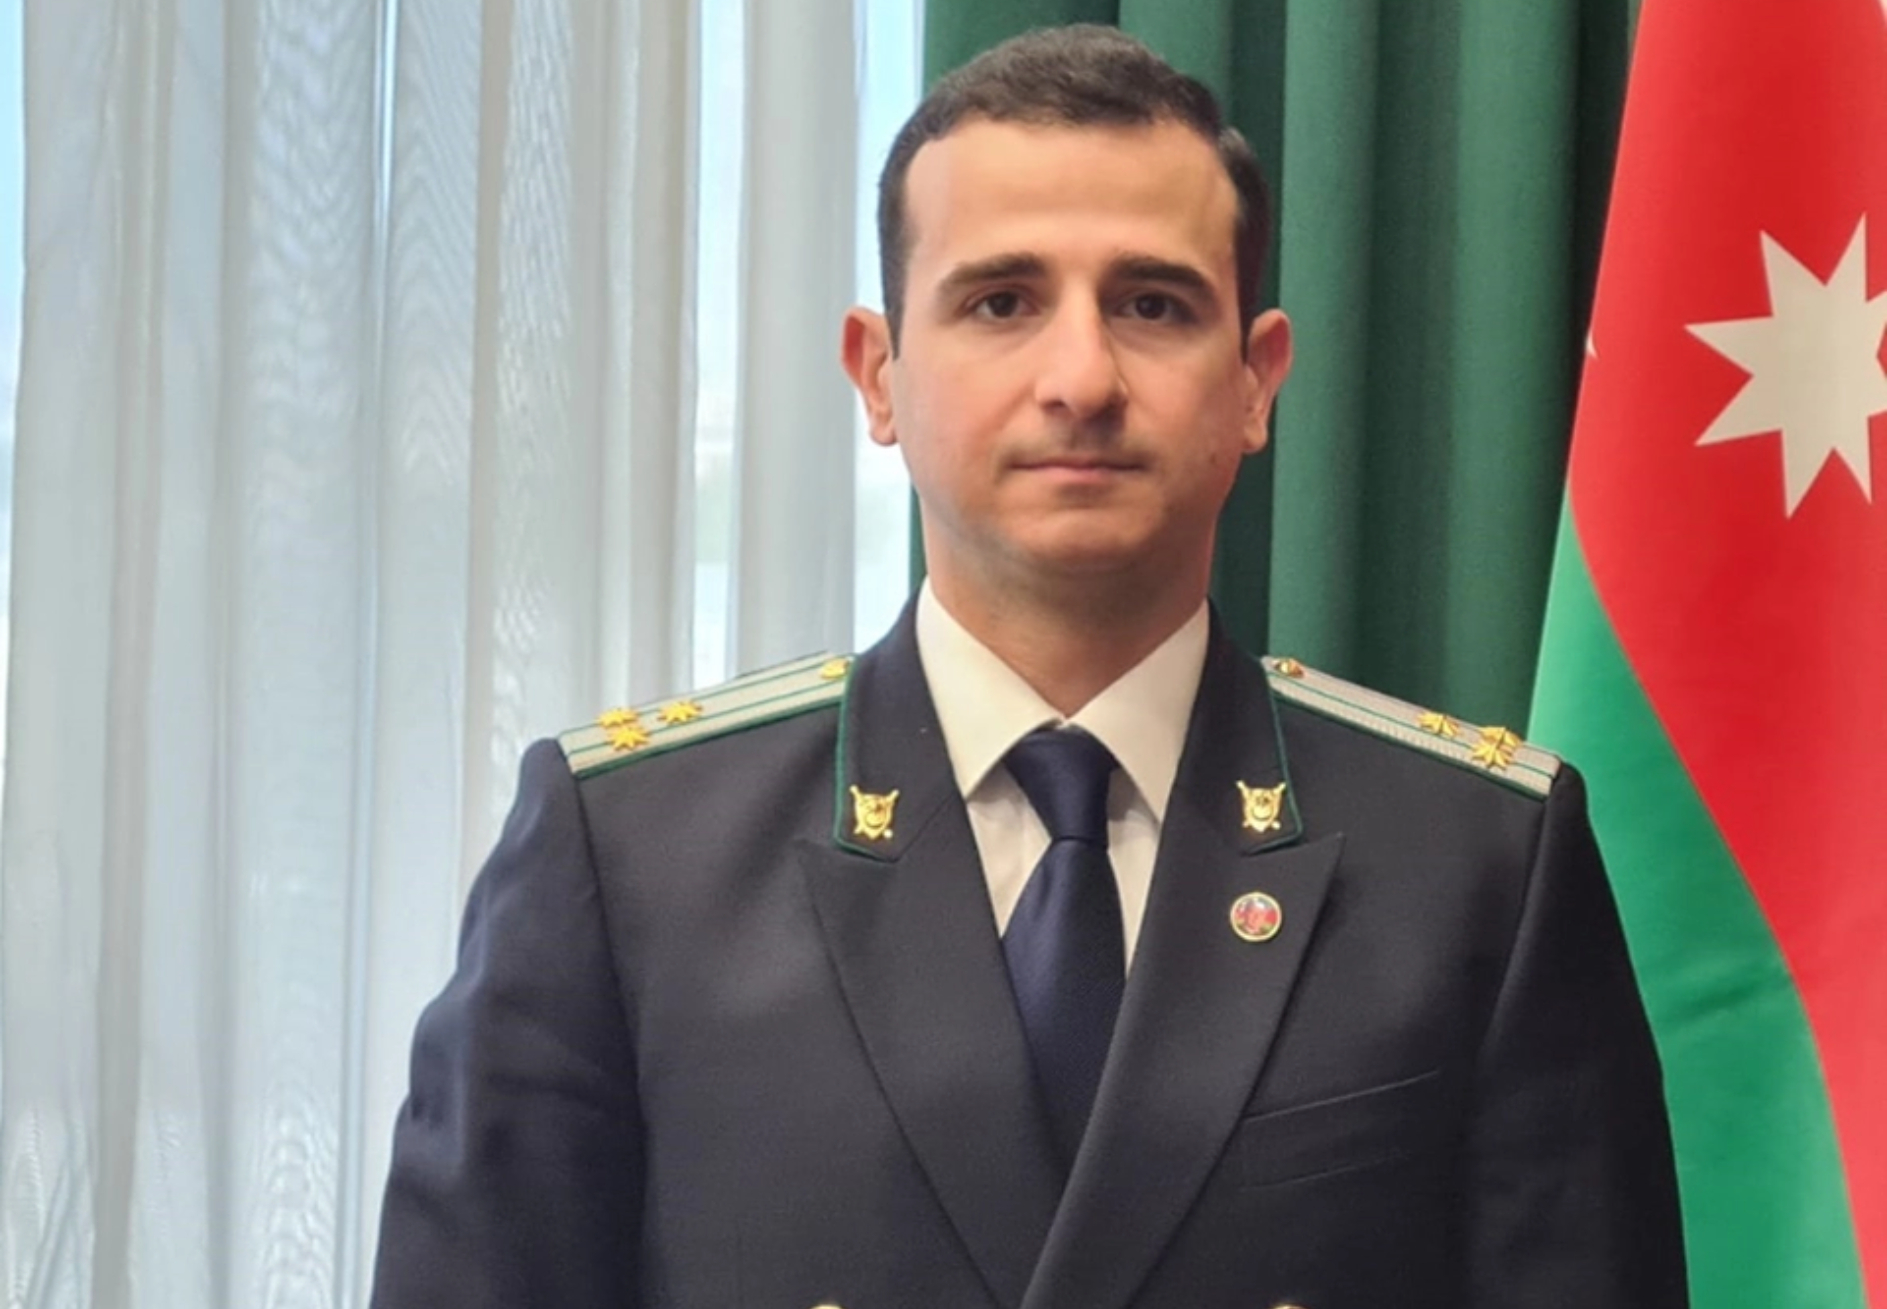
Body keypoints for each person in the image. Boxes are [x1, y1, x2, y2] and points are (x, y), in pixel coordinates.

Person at [370, 24, 1688, 1309]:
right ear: (879, 376)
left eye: (1153, 305)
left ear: (1255, 380)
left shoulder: (1475, 865)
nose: (1081, 378)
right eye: (1001, 302)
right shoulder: (629, 856)